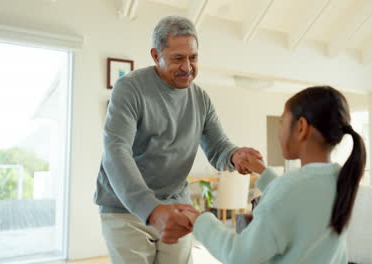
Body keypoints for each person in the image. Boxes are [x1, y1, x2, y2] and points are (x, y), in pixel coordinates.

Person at [94, 15, 262, 264]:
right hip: (125, 209)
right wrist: (151, 210)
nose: (187, 67)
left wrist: (234, 155)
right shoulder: (130, 89)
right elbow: (116, 151)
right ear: (155, 55)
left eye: (193, 57)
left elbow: (218, 147)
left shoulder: (200, 99)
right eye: (177, 58)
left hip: (176, 205)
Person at [185, 86, 367, 263]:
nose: (279, 133)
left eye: (282, 123)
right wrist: (262, 171)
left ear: (301, 128)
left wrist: (201, 221)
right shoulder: (340, 181)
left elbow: (239, 254)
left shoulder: (289, 189)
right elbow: (299, 196)